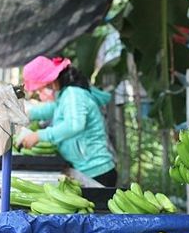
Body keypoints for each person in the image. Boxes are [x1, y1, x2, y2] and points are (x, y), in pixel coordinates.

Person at [20, 56, 117, 187]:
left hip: (96, 171)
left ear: (51, 82)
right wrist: (29, 114)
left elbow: (74, 125)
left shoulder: (74, 94)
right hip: (85, 169)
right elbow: (54, 108)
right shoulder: (65, 95)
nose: (40, 94)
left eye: (40, 89)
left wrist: (39, 135)